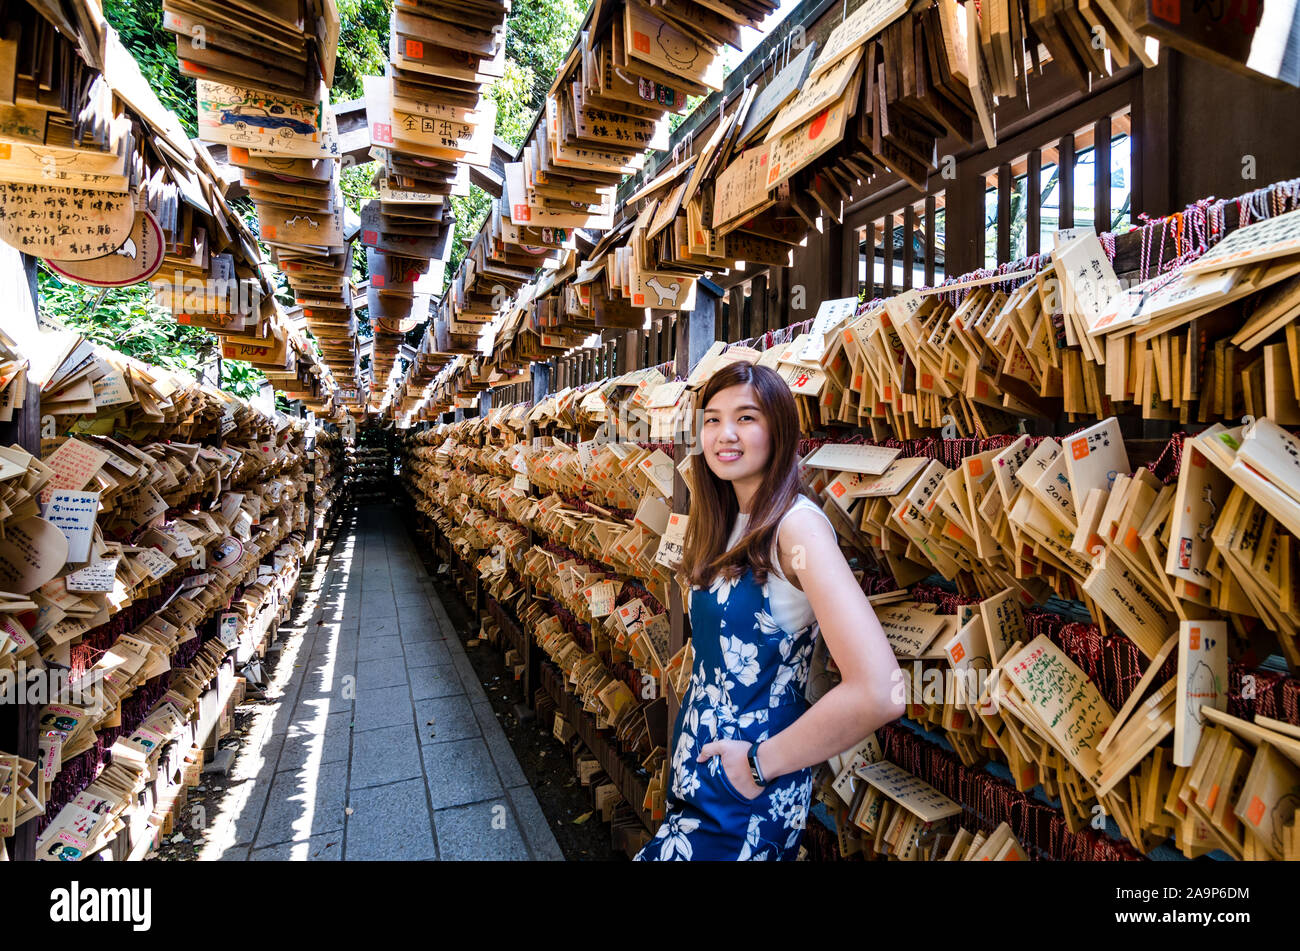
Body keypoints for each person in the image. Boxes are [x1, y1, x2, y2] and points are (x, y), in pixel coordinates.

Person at [634, 360, 904, 861]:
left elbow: (880, 690)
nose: (724, 434)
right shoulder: (726, 519)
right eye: (712, 419)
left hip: (748, 794)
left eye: (746, 418)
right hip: (701, 776)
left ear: (778, 430)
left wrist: (758, 764)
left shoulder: (796, 528)